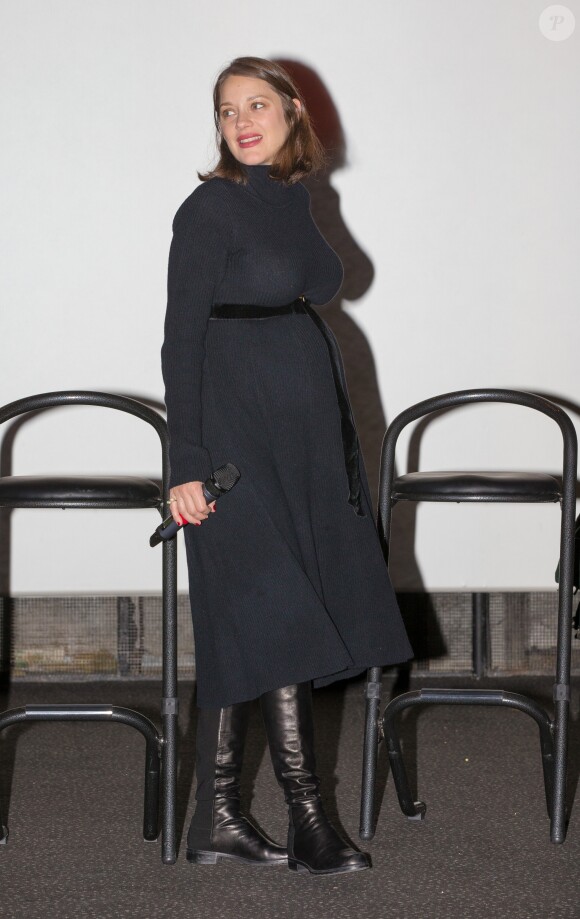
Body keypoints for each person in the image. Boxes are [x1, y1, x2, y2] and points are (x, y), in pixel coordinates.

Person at [161, 56, 413, 876]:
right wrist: (186, 461)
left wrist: (309, 198)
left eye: (258, 104)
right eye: (228, 109)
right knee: (277, 617)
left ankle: (219, 819)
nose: (241, 120)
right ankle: (310, 817)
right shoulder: (208, 207)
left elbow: (339, 277)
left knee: (252, 622)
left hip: (300, 439)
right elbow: (180, 341)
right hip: (235, 443)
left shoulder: (292, 198)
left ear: (292, 110)